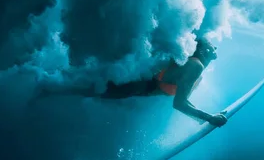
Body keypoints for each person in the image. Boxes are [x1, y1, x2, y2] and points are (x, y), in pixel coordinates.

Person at [34, 38, 228, 127]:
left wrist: (201, 119)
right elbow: (179, 104)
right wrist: (210, 118)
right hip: (135, 83)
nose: (215, 45)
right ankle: (46, 85)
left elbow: (182, 98)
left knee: (87, 84)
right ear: (202, 50)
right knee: (88, 87)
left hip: (138, 85)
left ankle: (48, 82)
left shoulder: (197, 70)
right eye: (211, 44)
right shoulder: (196, 67)